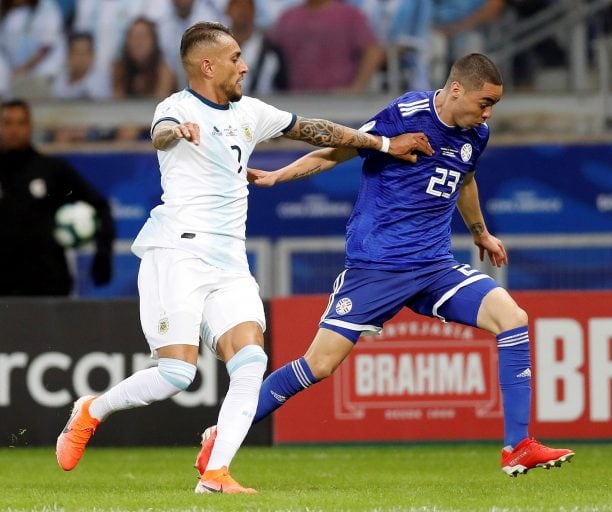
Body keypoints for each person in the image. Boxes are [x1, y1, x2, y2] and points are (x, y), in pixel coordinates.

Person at [54, 21, 433, 494]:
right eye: (235, 57)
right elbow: (161, 135)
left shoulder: (251, 111)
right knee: (177, 374)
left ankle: (216, 474)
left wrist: (381, 144)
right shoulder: (175, 107)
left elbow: (314, 130)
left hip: (229, 262)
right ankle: (92, 410)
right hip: (178, 253)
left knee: (251, 360)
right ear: (207, 65)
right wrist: (177, 131)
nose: (245, 65)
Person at [193, 53, 575, 478]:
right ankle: (222, 434)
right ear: (455, 90)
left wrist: (480, 233)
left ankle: (517, 446)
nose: (488, 113)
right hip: (377, 267)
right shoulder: (406, 114)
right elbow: (339, 151)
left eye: (494, 106)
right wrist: (280, 176)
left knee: (512, 317)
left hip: (434, 267)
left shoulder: (476, 134)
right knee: (319, 365)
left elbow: (465, 178)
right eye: (484, 102)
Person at [0, 99, 114, 296]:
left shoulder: (52, 170)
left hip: (47, 284)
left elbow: (100, 206)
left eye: (20, 123)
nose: (14, 130)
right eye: (7, 123)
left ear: (30, 127)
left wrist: (103, 254)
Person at [269, 0, 384, 93]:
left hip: (339, 101)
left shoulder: (350, 15)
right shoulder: (287, 17)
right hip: (298, 100)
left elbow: (373, 51)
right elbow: (269, 50)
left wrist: (356, 87)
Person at [226, 0, 286, 95]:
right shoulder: (212, 48)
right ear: (227, 10)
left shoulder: (270, 52)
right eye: (237, 6)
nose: (242, 11)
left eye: (248, 7)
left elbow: (282, 88)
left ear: (255, 12)